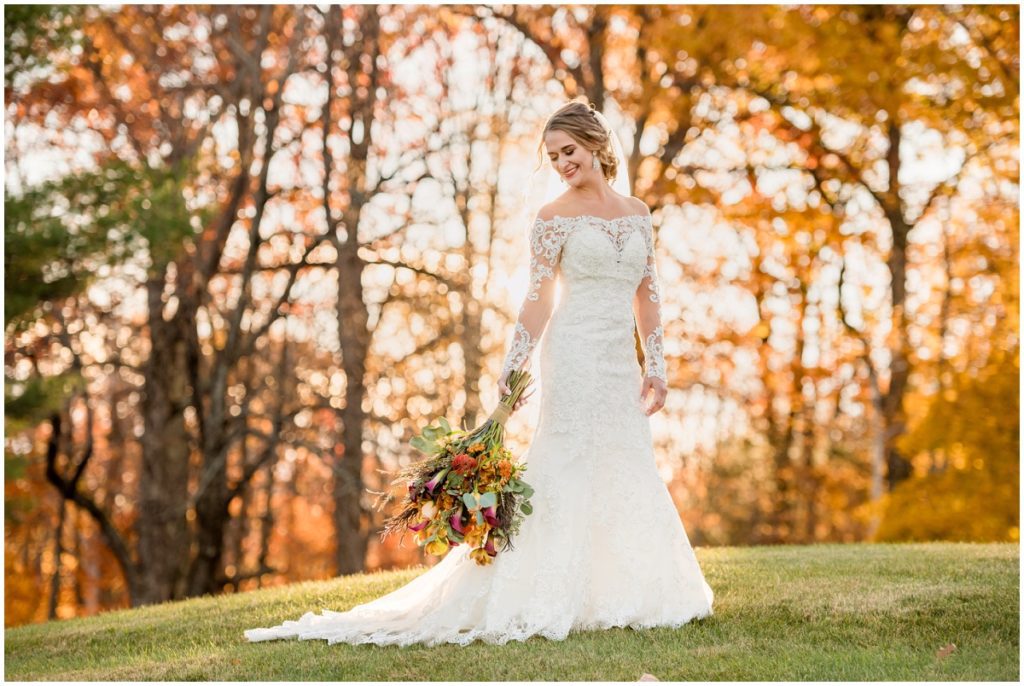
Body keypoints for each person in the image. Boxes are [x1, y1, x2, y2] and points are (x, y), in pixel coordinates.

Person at [243, 100, 714, 647]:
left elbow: (648, 297)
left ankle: (627, 589)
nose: (563, 163)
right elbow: (537, 300)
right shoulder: (553, 218)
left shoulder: (637, 213)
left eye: (570, 151)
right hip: (572, 354)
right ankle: (543, 589)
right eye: (554, 156)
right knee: (565, 464)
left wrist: (655, 366)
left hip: (618, 360)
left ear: (596, 144)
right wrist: (513, 368)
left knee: (627, 459)